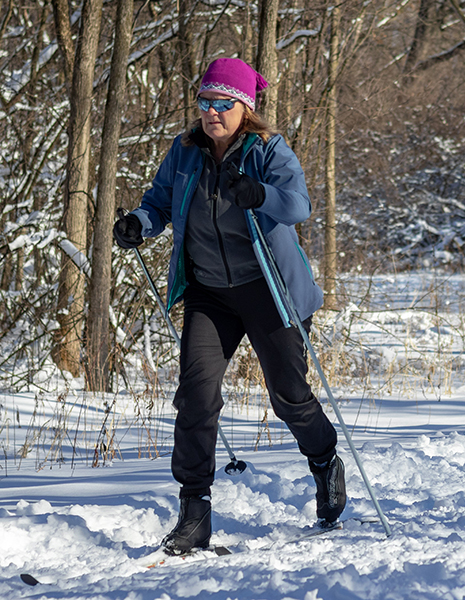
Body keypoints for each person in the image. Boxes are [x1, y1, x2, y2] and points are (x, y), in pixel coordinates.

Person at [113, 57, 345, 555]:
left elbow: (298, 204)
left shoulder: (268, 150)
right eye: (205, 102)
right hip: (209, 292)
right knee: (195, 397)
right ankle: (194, 512)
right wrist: (139, 223)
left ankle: (325, 460)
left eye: (224, 103)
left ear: (245, 107)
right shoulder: (184, 151)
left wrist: (259, 193)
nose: (212, 112)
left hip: (268, 287)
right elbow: (157, 202)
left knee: (288, 395)